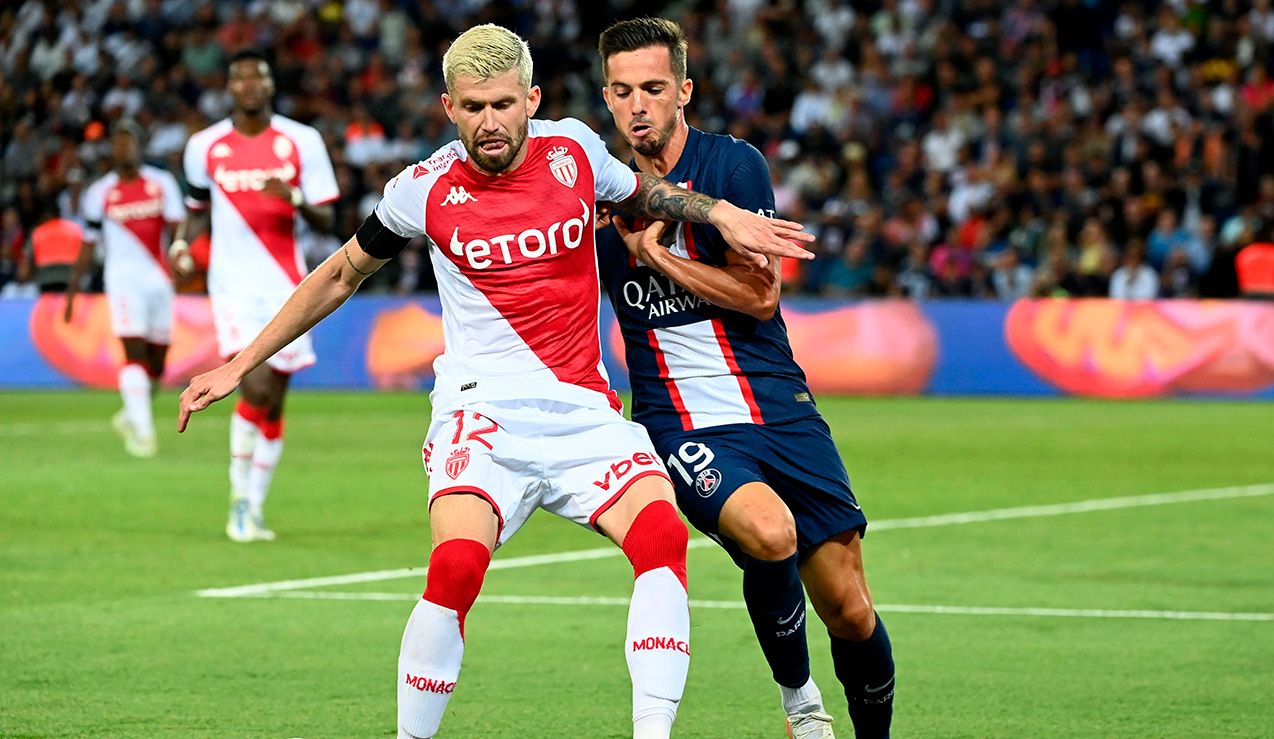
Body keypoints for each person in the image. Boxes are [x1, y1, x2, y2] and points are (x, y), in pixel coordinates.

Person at [176, 24, 813, 739]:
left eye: (504, 104)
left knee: (662, 535)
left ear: (531, 100)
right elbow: (339, 273)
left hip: (583, 415)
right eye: (473, 107)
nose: (489, 123)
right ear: (449, 106)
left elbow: (648, 197)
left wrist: (721, 211)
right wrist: (239, 363)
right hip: (482, 418)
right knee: (454, 569)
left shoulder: (573, 150)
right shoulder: (421, 189)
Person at [594, 18, 894, 739]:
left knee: (850, 606)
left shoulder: (732, 167)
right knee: (768, 530)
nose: (639, 105)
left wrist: (659, 259)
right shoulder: (594, 194)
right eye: (624, 91)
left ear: (684, 91)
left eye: (655, 89)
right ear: (607, 97)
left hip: (778, 404)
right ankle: (802, 706)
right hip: (682, 420)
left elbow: (761, 296)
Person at [173, 48, 340, 542]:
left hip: (290, 285)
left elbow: (328, 220)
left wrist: (291, 198)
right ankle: (239, 502)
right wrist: (182, 242)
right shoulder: (204, 146)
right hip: (232, 286)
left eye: (257, 77)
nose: (248, 85)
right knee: (257, 387)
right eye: (238, 77)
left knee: (275, 402)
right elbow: (197, 208)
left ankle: (255, 507)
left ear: (270, 85)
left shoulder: (302, 141)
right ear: (229, 87)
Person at [66, 119, 185, 458]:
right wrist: (72, 293)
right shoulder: (99, 193)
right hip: (122, 281)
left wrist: (180, 251)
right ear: (111, 152)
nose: (122, 149)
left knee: (158, 365)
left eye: (128, 142)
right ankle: (144, 434)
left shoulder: (162, 184)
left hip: (159, 280)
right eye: (116, 144)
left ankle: (131, 413)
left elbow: (179, 226)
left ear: (138, 146)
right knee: (133, 354)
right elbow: (88, 244)